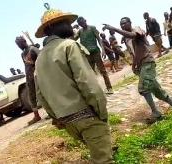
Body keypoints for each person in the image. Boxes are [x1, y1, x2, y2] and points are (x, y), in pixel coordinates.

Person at [34, 3, 115, 164]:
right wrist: (101, 113)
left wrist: (57, 118)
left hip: (68, 122)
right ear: (51, 26)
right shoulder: (68, 46)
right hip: (88, 116)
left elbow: (41, 95)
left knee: (97, 156)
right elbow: (87, 83)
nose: (69, 25)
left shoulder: (39, 59)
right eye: (64, 22)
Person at [102, 17, 172, 124]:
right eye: (121, 24)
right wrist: (134, 64)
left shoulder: (137, 30)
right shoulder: (127, 39)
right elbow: (134, 53)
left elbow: (134, 35)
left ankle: (155, 113)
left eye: (124, 24)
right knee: (156, 89)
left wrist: (114, 29)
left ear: (130, 23)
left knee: (143, 88)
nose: (123, 26)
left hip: (147, 63)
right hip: (141, 66)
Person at [73, 16, 114, 94]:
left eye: (83, 22)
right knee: (90, 73)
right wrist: (73, 28)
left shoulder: (92, 28)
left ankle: (109, 88)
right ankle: (95, 90)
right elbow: (72, 39)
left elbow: (99, 39)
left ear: (85, 20)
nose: (82, 24)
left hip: (95, 52)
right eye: (80, 24)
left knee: (103, 71)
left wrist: (103, 50)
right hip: (87, 54)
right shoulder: (80, 31)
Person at [15, 36, 42, 125]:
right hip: (29, 77)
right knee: (31, 96)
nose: (19, 46)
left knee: (43, 93)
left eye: (19, 43)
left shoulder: (32, 49)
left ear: (24, 41)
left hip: (38, 75)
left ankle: (52, 112)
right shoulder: (22, 54)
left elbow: (41, 60)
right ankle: (36, 115)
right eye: (17, 44)